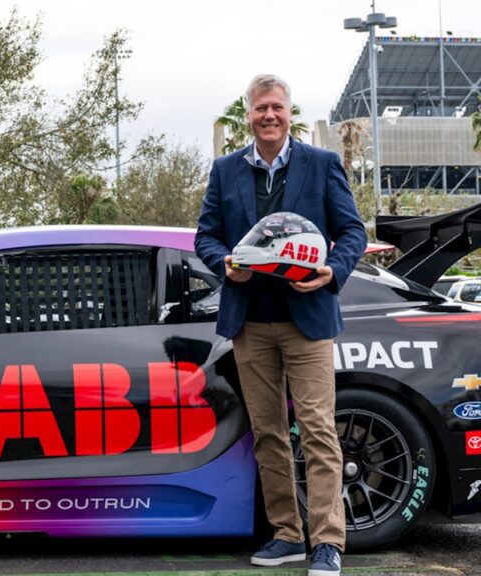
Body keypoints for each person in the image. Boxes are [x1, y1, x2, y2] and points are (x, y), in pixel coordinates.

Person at [195, 74, 366, 576]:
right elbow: (206, 236)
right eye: (259, 108)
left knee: (317, 431)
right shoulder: (225, 170)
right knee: (268, 433)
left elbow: (351, 230)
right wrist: (226, 262)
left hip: (308, 321)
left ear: (289, 113)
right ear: (247, 115)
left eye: (276, 107)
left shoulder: (322, 164)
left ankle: (328, 542)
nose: (268, 115)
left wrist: (333, 271)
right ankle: (287, 535)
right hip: (251, 322)